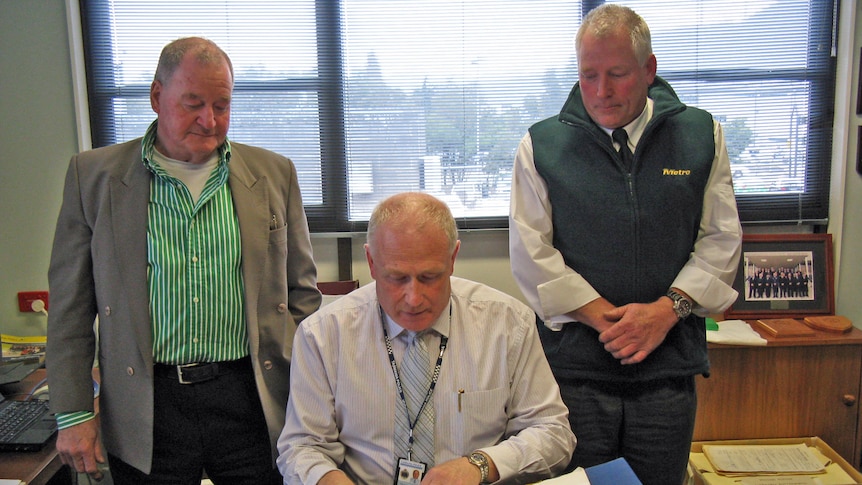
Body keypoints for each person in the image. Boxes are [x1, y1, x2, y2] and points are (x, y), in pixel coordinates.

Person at [46, 36, 321, 484]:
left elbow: (302, 297)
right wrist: (74, 412)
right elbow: (71, 308)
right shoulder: (93, 176)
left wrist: (310, 392)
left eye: (222, 105)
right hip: (148, 403)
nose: (209, 120)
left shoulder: (274, 173)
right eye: (192, 103)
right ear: (157, 96)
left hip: (252, 396)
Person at [508, 5, 743, 485]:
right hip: (575, 373)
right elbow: (532, 254)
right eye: (588, 75)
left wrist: (666, 311)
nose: (601, 91)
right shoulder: (542, 145)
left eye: (616, 74)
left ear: (649, 69)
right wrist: (606, 320)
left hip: (667, 372)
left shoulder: (701, 135)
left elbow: (722, 238)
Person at [277, 192, 575, 485]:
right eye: (397, 278)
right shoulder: (323, 334)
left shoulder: (507, 324)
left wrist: (480, 466)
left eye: (430, 277)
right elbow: (302, 447)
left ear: (453, 258)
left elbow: (553, 434)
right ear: (371, 261)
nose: (413, 298)